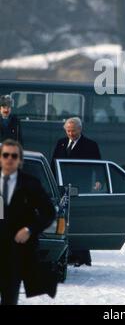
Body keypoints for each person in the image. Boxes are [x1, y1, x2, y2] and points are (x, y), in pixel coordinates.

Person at [0, 139, 56, 305]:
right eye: (5, 155)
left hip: (15, 252)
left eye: (14, 156)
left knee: (9, 297)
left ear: (20, 160)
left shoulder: (31, 184)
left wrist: (30, 229)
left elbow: (49, 212)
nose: (9, 159)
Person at [51, 117, 101, 266]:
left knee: (79, 219)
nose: (71, 133)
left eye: (73, 130)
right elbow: (53, 163)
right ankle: (67, 254)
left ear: (80, 129)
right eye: (68, 131)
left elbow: (98, 165)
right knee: (62, 219)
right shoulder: (60, 142)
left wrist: (99, 180)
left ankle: (82, 257)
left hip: (81, 187)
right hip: (62, 186)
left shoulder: (90, 145)